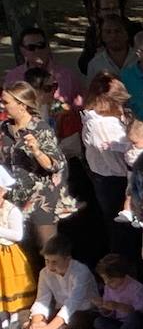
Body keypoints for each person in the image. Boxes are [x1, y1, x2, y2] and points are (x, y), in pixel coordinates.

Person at [0, 81, 79, 247]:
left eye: (6, 102)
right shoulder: (5, 129)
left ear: (21, 105)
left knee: (48, 249)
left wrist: (37, 151)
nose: (2, 106)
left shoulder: (40, 128)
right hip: (15, 199)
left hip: (41, 198)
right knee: (25, 252)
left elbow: (55, 165)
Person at [80, 72, 135, 263]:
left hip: (111, 178)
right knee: (121, 231)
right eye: (116, 102)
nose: (121, 106)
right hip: (114, 180)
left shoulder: (107, 118)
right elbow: (121, 153)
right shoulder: (99, 123)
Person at [23, 234, 96, 329]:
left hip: (82, 311)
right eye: (47, 261)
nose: (50, 266)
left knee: (72, 323)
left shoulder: (81, 271)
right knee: (24, 317)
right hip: (59, 309)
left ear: (67, 259)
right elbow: (42, 299)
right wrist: (37, 322)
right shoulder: (44, 273)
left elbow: (72, 303)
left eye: (54, 262)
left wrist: (49, 328)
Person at [86, 252, 143, 329]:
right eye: (104, 279)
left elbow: (141, 314)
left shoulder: (138, 289)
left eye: (111, 280)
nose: (107, 283)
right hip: (120, 324)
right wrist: (104, 308)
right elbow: (111, 313)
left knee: (134, 318)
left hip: (138, 325)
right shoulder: (108, 288)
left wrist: (119, 306)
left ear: (122, 275)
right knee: (99, 322)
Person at [4, 26, 83, 107]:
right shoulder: (13, 77)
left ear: (47, 46)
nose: (37, 51)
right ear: (22, 50)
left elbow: (80, 110)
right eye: (31, 47)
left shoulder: (67, 76)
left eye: (41, 45)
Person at [0, 165, 36, 329]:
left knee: (11, 286)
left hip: (8, 254)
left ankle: (14, 319)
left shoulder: (11, 210)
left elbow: (17, 235)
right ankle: (3, 320)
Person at [77, 0, 142, 76]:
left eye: (115, 8)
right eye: (106, 9)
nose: (111, 12)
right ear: (99, 12)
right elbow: (84, 66)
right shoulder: (93, 32)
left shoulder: (135, 29)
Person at [85, 13, 138, 82]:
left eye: (118, 31)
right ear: (102, 36)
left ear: (127, 34)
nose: (113, 36)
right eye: (108, 32)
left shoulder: (140, 60)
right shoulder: (95, 65)